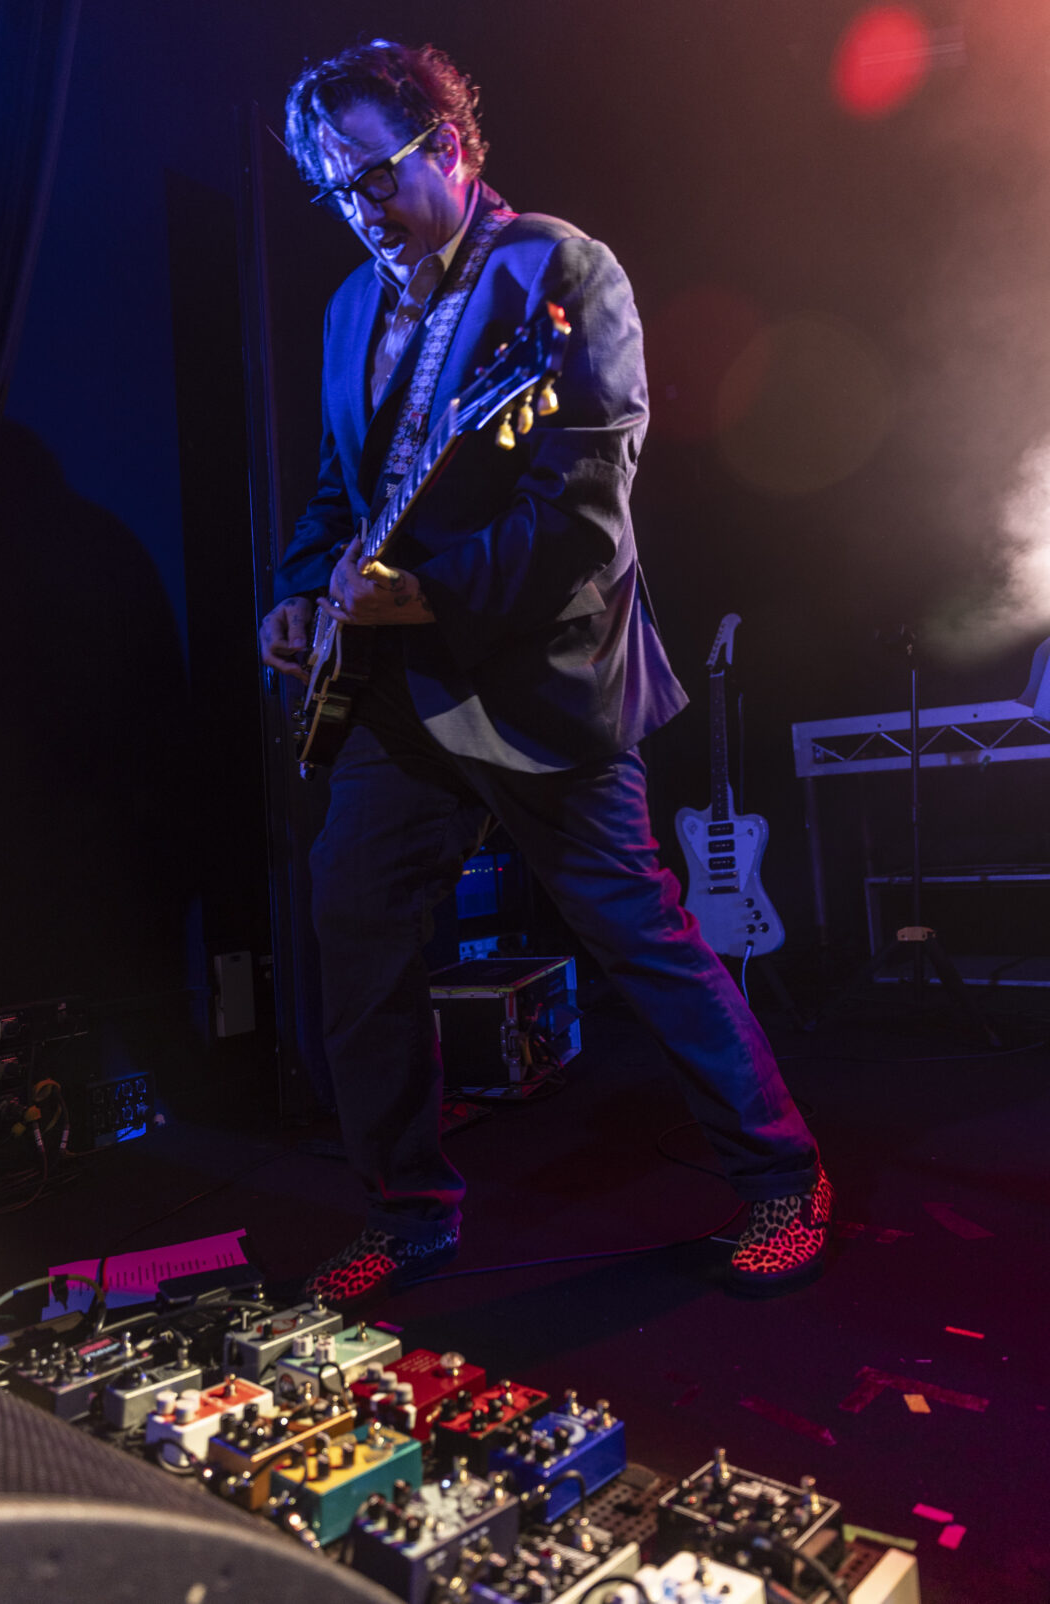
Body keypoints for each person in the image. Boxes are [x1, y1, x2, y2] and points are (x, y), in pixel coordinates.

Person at [259, 39, 831, 1306]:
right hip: (397, 687)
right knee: (355, 934)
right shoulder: (348, 308)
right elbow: (337, 490)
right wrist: (301, 593)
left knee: (639, 934)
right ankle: (407, 1214)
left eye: (375, 174)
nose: (359, 209)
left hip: (539, 673)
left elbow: (582, 516)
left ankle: (781, 1177)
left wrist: (428, 593)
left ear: (451, 144)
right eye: (334, 190)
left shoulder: (558, 270)